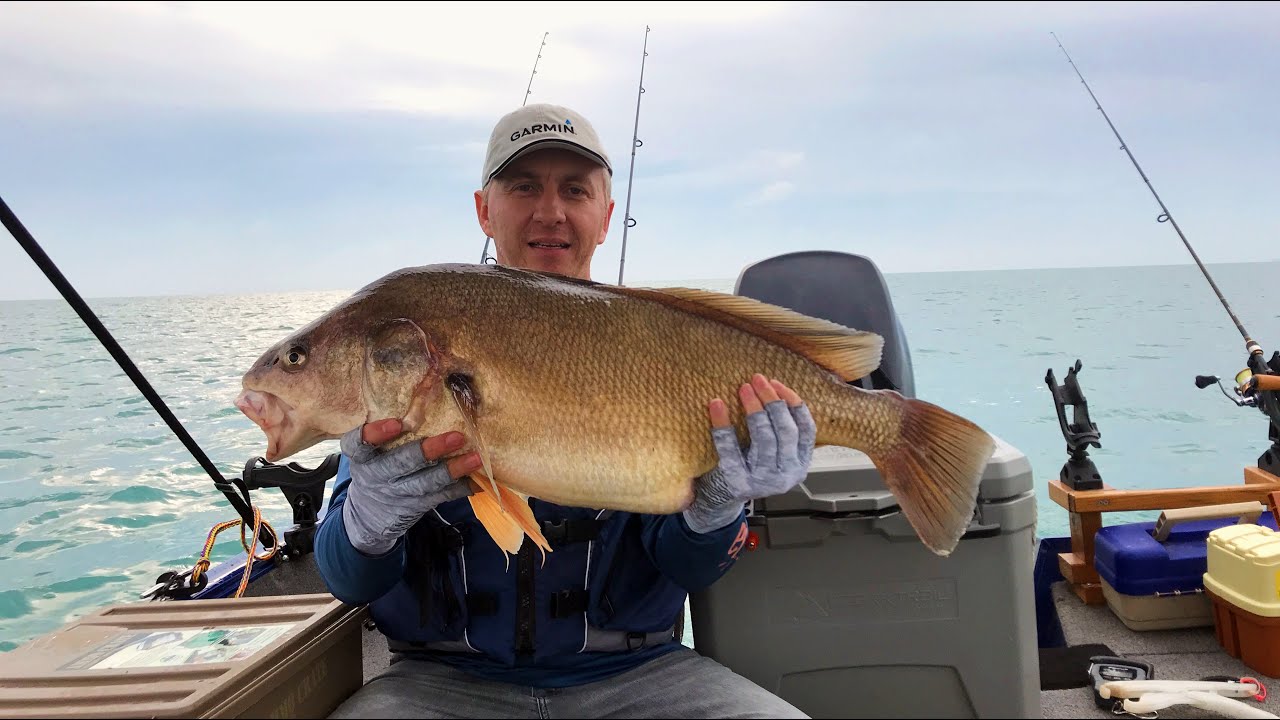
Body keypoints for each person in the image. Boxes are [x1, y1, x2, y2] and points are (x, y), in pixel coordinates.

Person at [316, 102, 813, 719]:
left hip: (643, 674)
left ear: (605, 217)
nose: (549, 211)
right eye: (523, 186)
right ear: (483, 209)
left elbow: (687, 566)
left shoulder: (655, 343)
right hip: (437, 683)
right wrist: (369, 516)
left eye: (574, 190)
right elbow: (346, 578)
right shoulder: (412, 345)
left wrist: (718, 506)